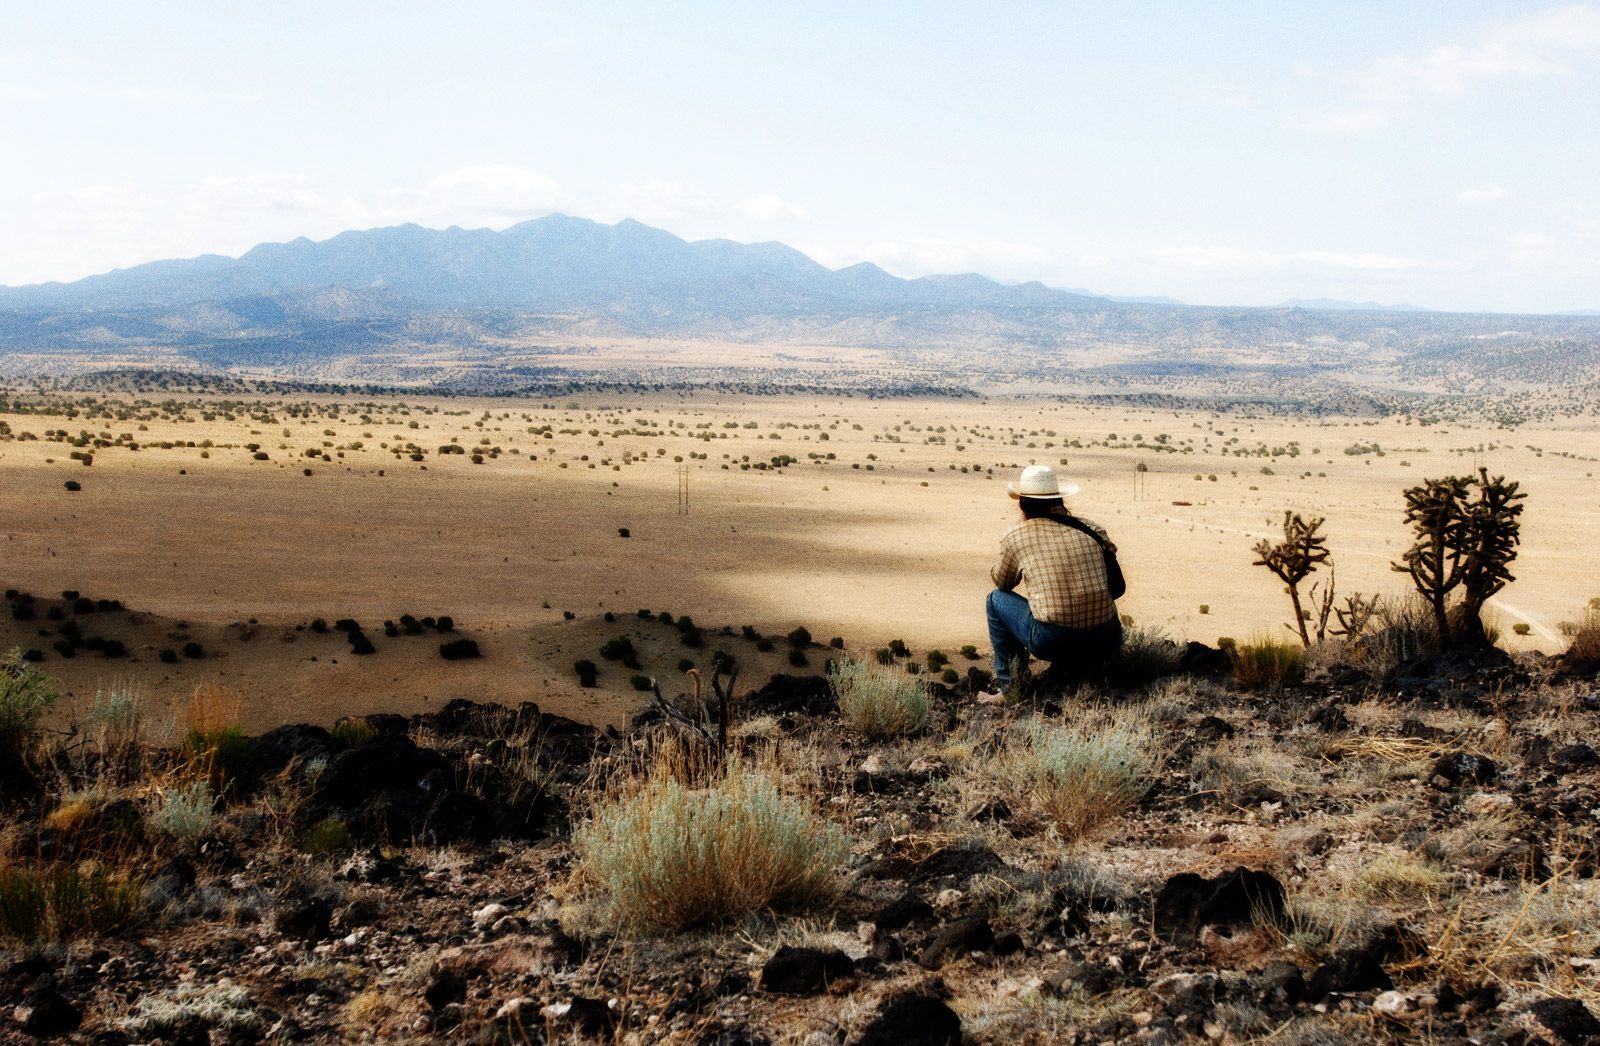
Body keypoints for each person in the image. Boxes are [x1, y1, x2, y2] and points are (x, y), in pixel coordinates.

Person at [982, 464, 1123, 696]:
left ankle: (1012, 689)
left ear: (1022, 503)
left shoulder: (1016, 536)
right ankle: (1084, 673)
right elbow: (1115, 588)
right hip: (1107, 638)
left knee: (995, 600)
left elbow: (1002, 583)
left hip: (1053, 641)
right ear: (1059, 499)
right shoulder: (1093, 529)